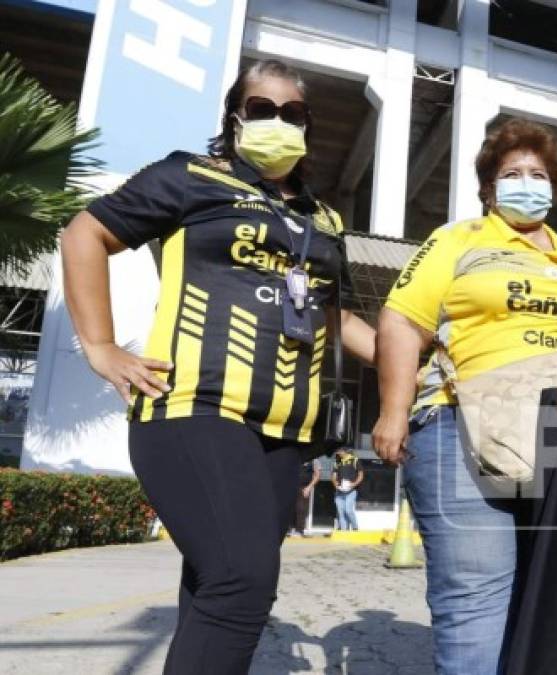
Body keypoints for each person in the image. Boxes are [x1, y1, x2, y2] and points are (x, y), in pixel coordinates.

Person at [60, 59, 375, 674]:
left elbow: (335, 318)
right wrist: (100, 347)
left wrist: (423, 360)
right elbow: (84, 234)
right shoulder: (190, 176)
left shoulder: (324, 219)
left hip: (285, 435)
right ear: (235, 118)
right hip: (195, 407)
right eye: (262, 109)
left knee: (213, 586)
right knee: (241, 582)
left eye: (293, 113)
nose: (278, 121)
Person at [371, 118, 557, 674]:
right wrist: (393, 414)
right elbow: (401, 322)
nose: (527, 182)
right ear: (489, 189)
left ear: (555, 188)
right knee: (476, 600)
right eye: (511, 173)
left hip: (555, 434)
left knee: (547, 601)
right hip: (456, 426)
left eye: (538, 174)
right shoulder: (458, 240)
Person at [332, 448, 364, 531]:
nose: (338, 453)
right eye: (337, 452)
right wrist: (335, 483)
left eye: (339, 451)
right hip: (339, 491)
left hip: (351, 491)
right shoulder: (337, 462)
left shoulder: (354, 460)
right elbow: (333, 475)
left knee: (348, 510)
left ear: (344, 451)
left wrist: (354, 484)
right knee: (340, 512)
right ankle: (344, 530)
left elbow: (361, 475)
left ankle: (355, 527)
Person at [292, 457, 321, 536]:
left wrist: (309, 487)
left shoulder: (314, 460)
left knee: (301, 508)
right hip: (292, 486)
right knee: (291, 508)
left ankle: (299, 530)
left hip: (305, 487)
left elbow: (317, 476)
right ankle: (290, 528)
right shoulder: (296, 458)